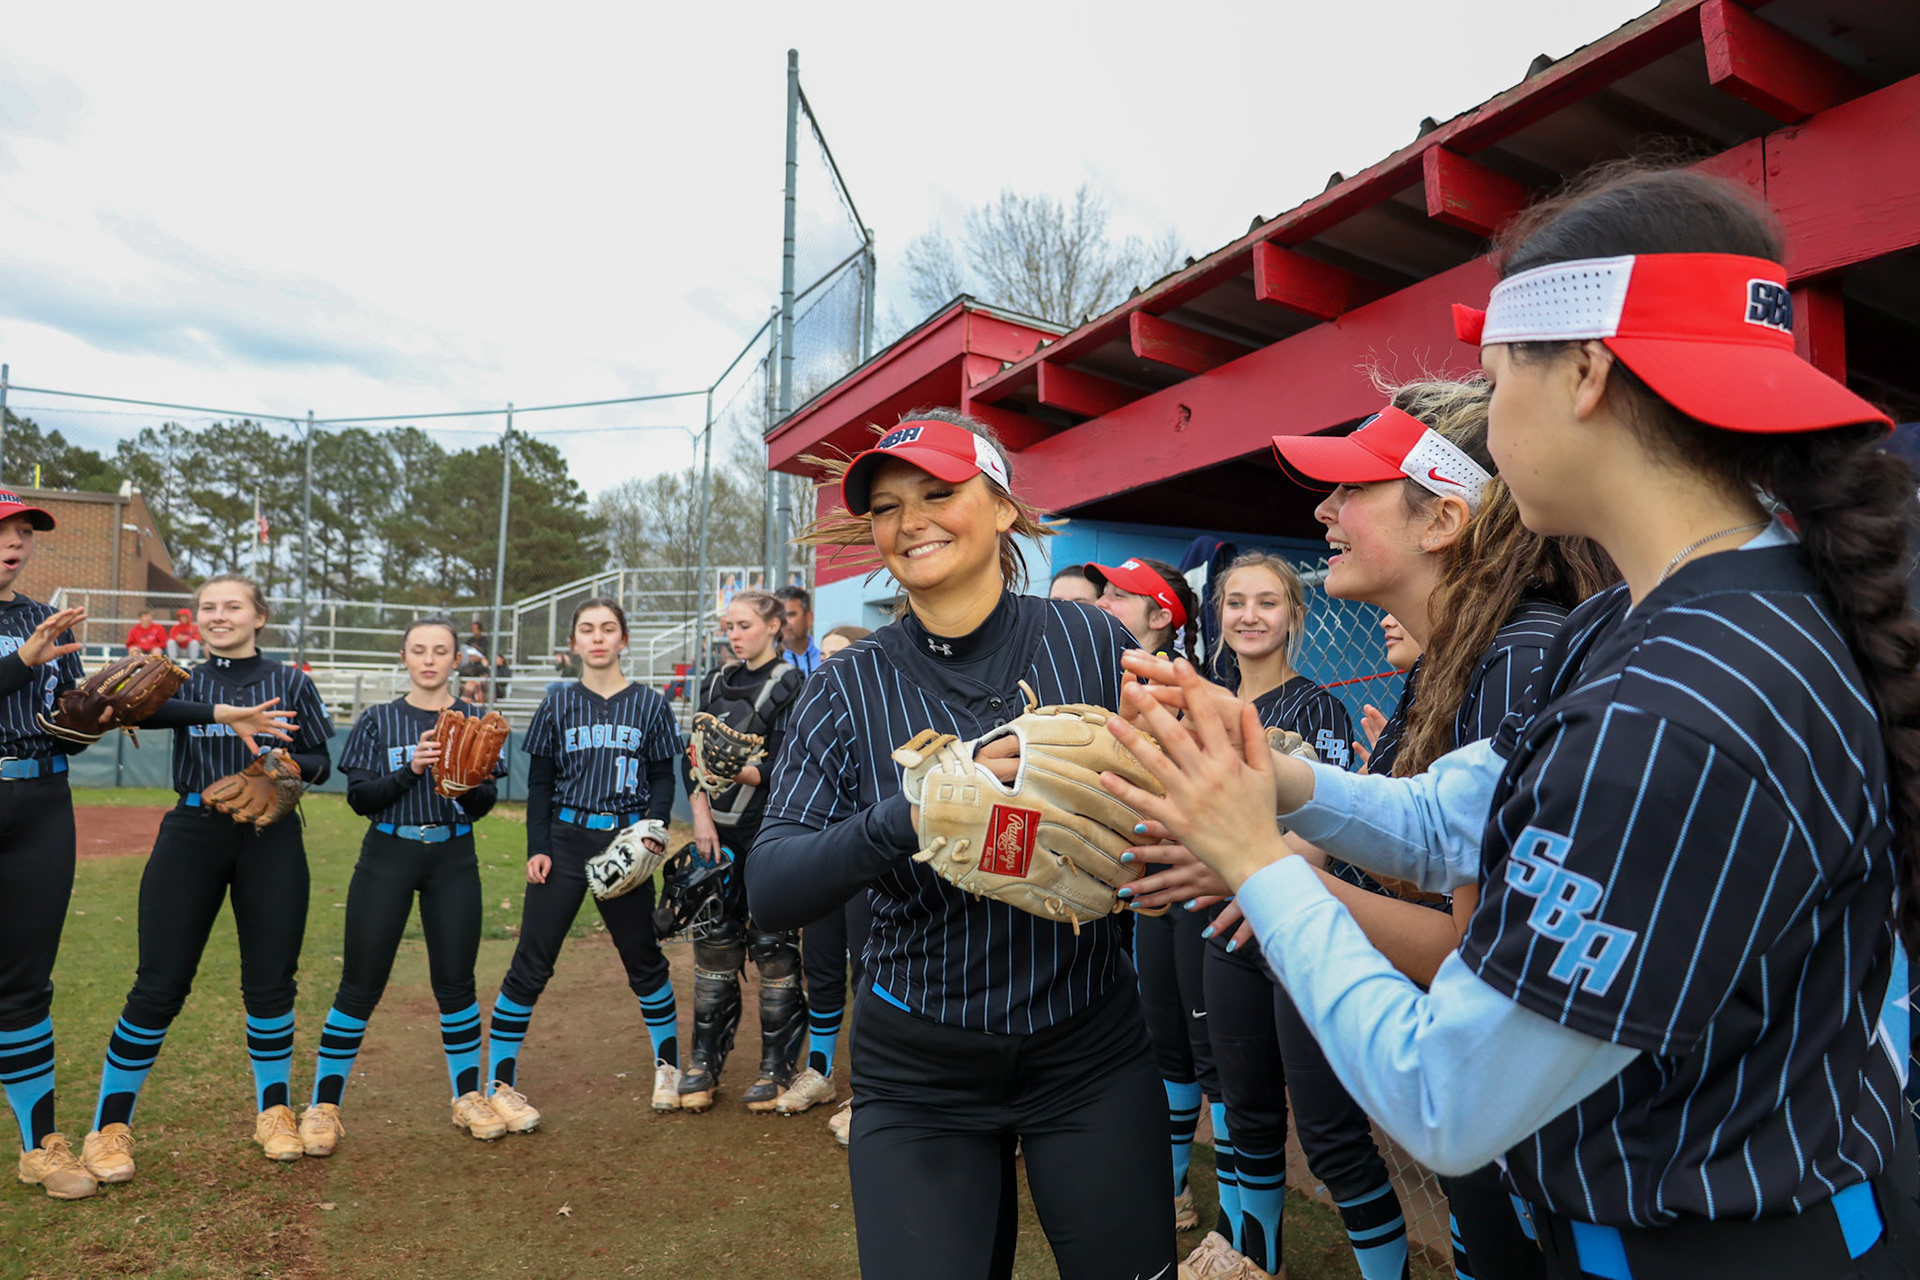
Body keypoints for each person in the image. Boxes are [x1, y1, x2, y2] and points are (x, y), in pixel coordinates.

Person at [1108, 166, 1920, 1279]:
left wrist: (1257, 862)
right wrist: (1273, 777)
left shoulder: (1681, 707)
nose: (1489, 418)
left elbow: (1448, 1096)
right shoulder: (1652, 615)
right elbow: (1457, 815)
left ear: (1585, 372)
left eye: (1495, 380)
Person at [749, 410, 1175, 1280]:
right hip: (921, 1071)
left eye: (940, 494)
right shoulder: (846, 686)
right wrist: (920, 808)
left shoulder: (1092, 640)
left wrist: (1185, 849)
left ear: (1005, 509)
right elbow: (772, 885)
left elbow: (1183, 791)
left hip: (1087, 1046)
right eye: (889, 506)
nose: (912, 522)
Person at [1184, 551, 1413, 1280]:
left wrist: (1248, 867)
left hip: (1298, 928)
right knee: (1245, 1119)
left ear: (1296, 616)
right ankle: (1258, 1263)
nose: (1250, 615)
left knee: (1331, 1137)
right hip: (1225, 928)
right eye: (1236, 602)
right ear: (1217, 614)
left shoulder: (1314, 705)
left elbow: (1322, 831)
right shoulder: (1207, 701)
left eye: (1268, 602)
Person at [79, 573, 333, 1181]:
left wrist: (286, 769)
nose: (220, 615)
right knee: (159, 984)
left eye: (233, 606)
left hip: (271, 836)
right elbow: (136, 712)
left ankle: (274, 1112)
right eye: (209, 607)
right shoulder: (176, 679)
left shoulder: (291, 682)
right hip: (192, 833)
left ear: (260, 616)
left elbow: (322, 760)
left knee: (271, 983)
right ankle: (110, 1128)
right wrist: (218, 712)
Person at [295, 616, 507, 1158]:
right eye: (419, 650)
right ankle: (324, 1105)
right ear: (404, 657)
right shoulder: (380, 719)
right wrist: (413, 770)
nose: (430, 658)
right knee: (360, 984)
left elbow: (483, 807)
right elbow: (361, 798)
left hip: (453, 855)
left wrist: (463, 786)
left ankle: (467, 1098)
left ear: (456, 659)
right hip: (388, 853)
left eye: (441, 650)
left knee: (456, 984)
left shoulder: (478, 719)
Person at [482, 597, 682, 1130]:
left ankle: (669, 1066)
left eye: (608, 628)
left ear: (624, 640)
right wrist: (537, 848)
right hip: (566, 840)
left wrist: (652, 829)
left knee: (642, 958)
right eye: (587, 630)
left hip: (625, 841)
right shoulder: (556, 704)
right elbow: (540, 784)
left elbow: (664, 775)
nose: (597, 638)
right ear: (573, 644)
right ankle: (499, 1080)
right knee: (532, 960)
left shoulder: (651, 704)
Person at [1081, 555, 1224, 1244]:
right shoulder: (1104, 685)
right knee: (1162, 1041)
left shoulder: (1196, 689)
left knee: (1212, 1052)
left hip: (1200, 890)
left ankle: (1241, 1225)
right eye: (1102, 592)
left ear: (1162, 615)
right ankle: (1170, 1190)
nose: (1104, 603)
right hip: (1136, 890)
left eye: (1120, 595)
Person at [680, 590, 808, 1113]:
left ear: (775, 626)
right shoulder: (714, 681)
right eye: (728, 625)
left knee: (774, 950)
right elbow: (691, 754)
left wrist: (738, 769)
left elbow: (795, 766)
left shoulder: (792, 683)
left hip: (769, 831)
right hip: (718, 834)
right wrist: (701, 813)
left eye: (745, 624)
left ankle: (776, 1068)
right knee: (713, 950)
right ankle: (704, 1063)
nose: (734, 633)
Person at [796, 620, 876, 1144]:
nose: (827, 664)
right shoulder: (809, 716)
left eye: (839, 655)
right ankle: (821, 1073)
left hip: (867, 862)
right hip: (819, 858)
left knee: (868, 974)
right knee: (820, 966)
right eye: (822, 655)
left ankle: (869, 1090)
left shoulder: (879, 713)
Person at [775, 585, 822, 677]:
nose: (784, 621)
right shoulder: (762, 662)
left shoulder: (824, 659)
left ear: (809, 618)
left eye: (790, 615)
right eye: (779, 615)